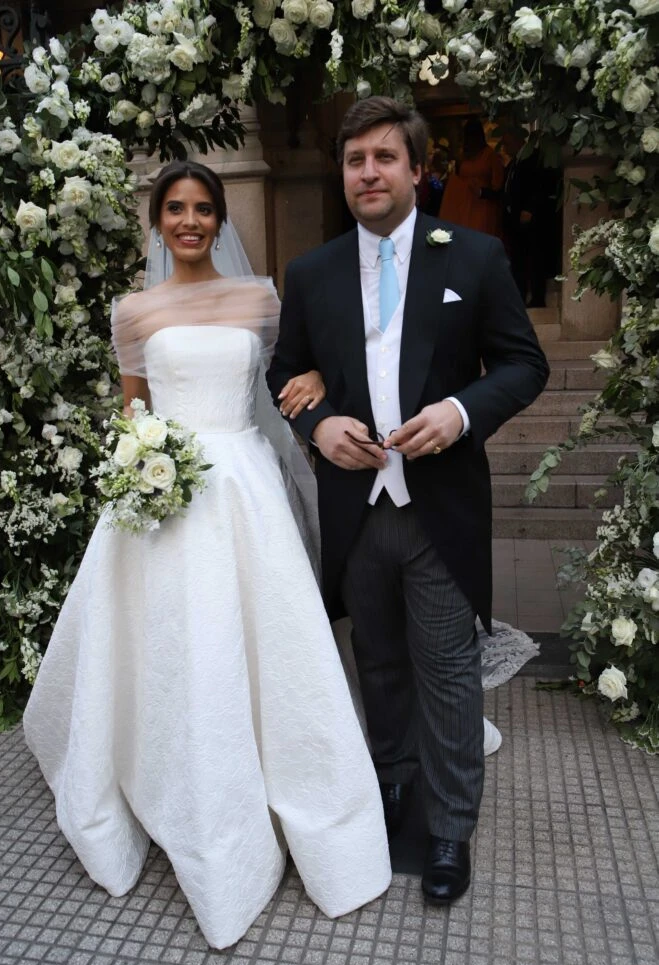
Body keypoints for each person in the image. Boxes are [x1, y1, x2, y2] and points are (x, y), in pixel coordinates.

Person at [23, 160, 391, 950]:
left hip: (245, 491)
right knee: (164, 641)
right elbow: (133, 412)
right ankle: (161, 773)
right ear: (157, 221)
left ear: (219, 220)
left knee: (255, 638)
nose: (188, 221)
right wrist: (138, 470)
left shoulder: (260, 300)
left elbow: (296, 367)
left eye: (202, 209)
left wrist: (318, 374)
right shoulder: (133, 311)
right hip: (160, 494)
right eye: (174, 209)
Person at [267, 97, 549, 905]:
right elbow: (282, 373)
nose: (368, 172)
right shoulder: (313, 272)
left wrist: (460, 412)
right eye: (355, 159)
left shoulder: (474, 257)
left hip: (439, 508)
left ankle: (451, 828)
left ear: (417, 171)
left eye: (384, 158)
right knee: (378, 664)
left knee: (448, 673)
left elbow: (522, 365)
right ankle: (393, 789)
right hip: (353, 507)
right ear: (342, 172)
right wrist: (317, 427)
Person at [502, 129, 558, 308]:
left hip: (531, 218)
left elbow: (540, 185)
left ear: (517, 141)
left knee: (534, 257)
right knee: (518, 259)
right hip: (514, 219)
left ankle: (537, 297)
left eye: (507, 142)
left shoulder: (532, 158)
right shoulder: (513, 163)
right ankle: (519, 295)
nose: (504, 147)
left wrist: (530, 208)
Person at [439, 117, 504, 237]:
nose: (469, 140)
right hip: (462, 207)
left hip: (482, 207)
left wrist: (481, 192)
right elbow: (457, 178)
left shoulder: (490, 156)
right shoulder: (464, 156)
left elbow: (499, 188)